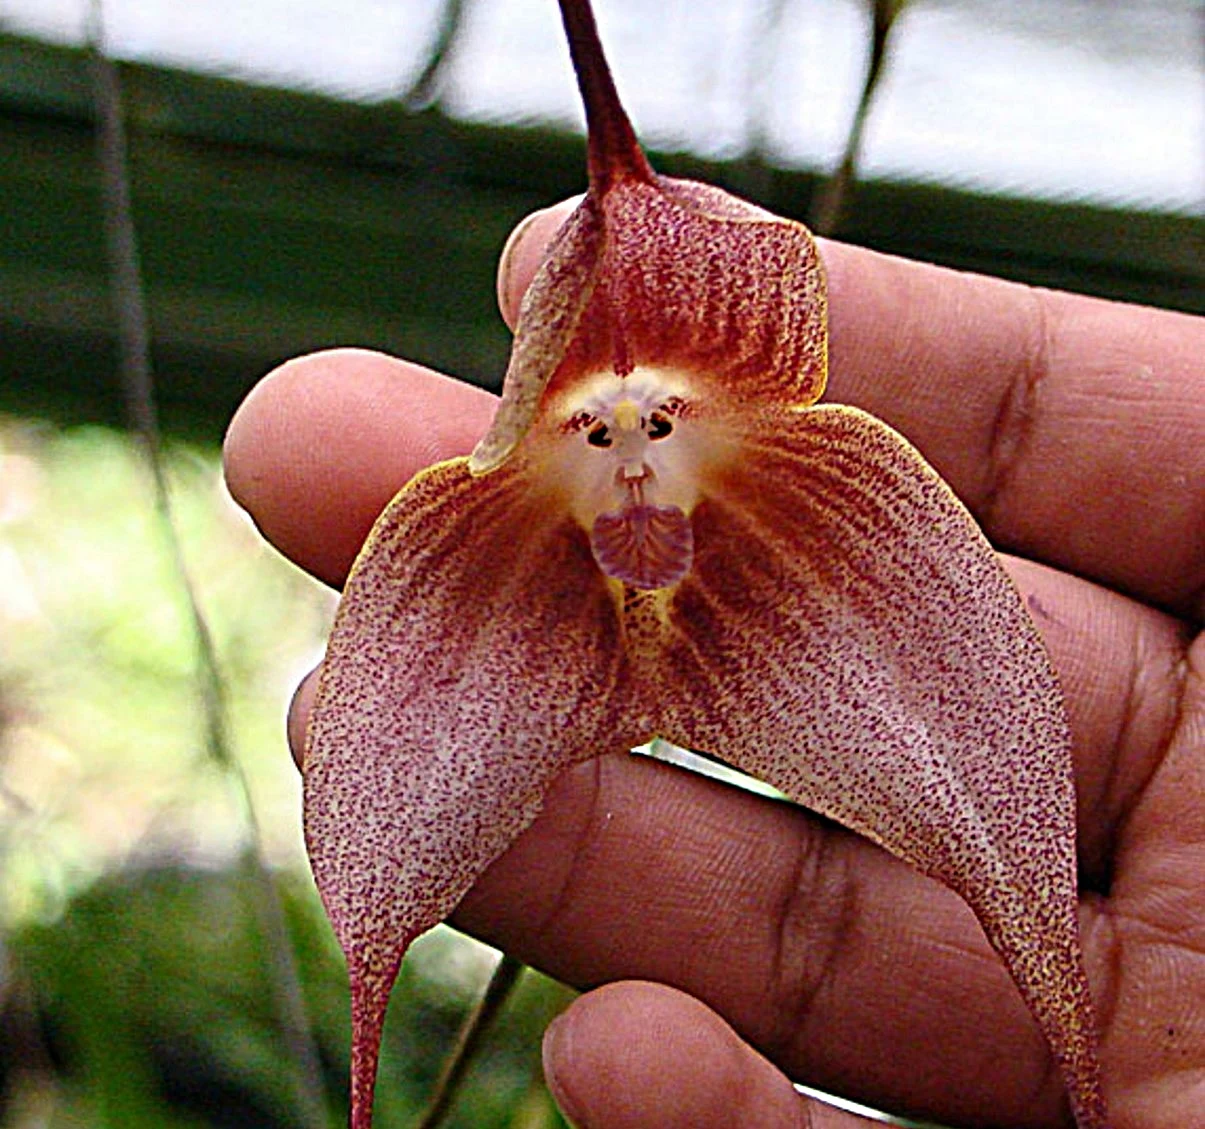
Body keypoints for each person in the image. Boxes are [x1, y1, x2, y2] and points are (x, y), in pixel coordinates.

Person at [224, 201, 1204, 1129]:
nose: (632, 456)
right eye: (601, 429)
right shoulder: (482, 506)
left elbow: (948, 744)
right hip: (539, 576)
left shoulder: (814, 466)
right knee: (391, 884)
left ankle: (1073, 1038)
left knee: (999, 859)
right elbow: (408, 771)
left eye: (653, 425)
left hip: (783, 559)